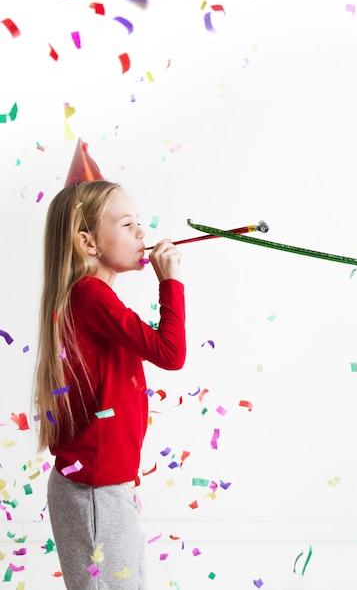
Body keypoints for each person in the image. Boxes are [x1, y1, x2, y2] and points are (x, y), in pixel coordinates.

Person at [34, 180, 186, 589]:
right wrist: (169, 282)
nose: (141, 234)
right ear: (88, 242)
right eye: (126, 224)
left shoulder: (93, 298)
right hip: (95, 494)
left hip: (106, 488)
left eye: (139, 223)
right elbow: (170, 353)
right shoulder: (90, 296)